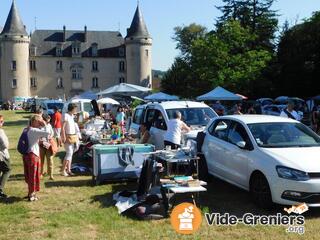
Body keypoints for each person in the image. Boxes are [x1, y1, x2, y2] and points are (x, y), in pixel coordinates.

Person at [23, 115, 50, 201]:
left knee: (29, 175)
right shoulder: (34, 130)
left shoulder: (26, 129)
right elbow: (48, 133)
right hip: (33, 155)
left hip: (26, 154)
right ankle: (32, 195)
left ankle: (30, 192)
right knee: (33, 176)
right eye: (39, 121)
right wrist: (45, 124)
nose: (40, 123)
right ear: (35, 122)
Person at [61, 103, 79, 177]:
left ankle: (68, 170)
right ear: (72, 109)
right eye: (75, 109)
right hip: (67, 136)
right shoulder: (66, 115)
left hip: (72, 136)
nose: (76, 110)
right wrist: (64, 137)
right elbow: (62, 127)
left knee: (70, 154)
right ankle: (63, 170)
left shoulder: (72, 115)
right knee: (69, 153)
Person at [39, 114, 55, 180]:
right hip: (41, 145)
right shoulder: (39, 126)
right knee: (41, 160)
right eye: (47, 121)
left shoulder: (49, 125)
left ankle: (51, 174)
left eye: (49, 121)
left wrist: (50, 137)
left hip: (48, 145)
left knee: (50, 159)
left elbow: (52, 133)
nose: (48, 122)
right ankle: (40, 173)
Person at [0, 115, 11, 198]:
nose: (2, 123)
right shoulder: (0, 131)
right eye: (1, 121)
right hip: (2, 155)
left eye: (2, 121)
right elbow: (5, 145)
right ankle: (0, 190)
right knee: (7, 170)